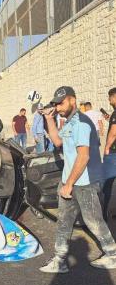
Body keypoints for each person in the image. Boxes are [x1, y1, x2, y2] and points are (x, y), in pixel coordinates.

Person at [39, 86, 116, 273]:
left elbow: (84, 156)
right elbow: (58, 142)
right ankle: (60, 260)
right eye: (56, 104)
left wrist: (69, 184)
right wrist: (49, 119)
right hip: (70, 182)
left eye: (61, 103)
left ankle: (113, 254)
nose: (58, 107)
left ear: (72, 100)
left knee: (93, 221)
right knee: (64, 221)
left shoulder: (81, 122)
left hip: (84, 182)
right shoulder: (70, 122)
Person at [103, 87, 116, 180]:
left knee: (108, 179)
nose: (109, 100)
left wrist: (107, 147)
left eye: (110, 97)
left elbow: (114, 132)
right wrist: (109, 120)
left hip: (113, 150)